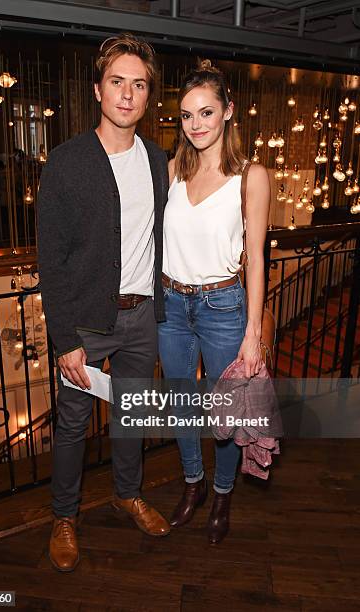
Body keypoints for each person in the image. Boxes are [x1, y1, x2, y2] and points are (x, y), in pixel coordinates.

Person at [37, 33, 170, 573]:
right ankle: (64, 516)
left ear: (147, 96)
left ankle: (127, 494)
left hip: (141, 318)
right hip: (88, 322)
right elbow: (52, 258)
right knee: (72, 424)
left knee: (131, 417)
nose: (127, 94)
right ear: (98, 89)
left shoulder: (159, 161)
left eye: (138, 84)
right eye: (117, 82)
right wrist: (64, 338)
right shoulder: (67, 162)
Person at [158, 60, 270, 544]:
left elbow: (260, 260)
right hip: (171, 305)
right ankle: (193, 484)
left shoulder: (251, 175)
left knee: (225, 417)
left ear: (228, 111)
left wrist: (253, 335)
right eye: (186, 115)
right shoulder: (171, 171)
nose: (196, 124)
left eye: (206, 112)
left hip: (223, 307)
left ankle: (223, 491)